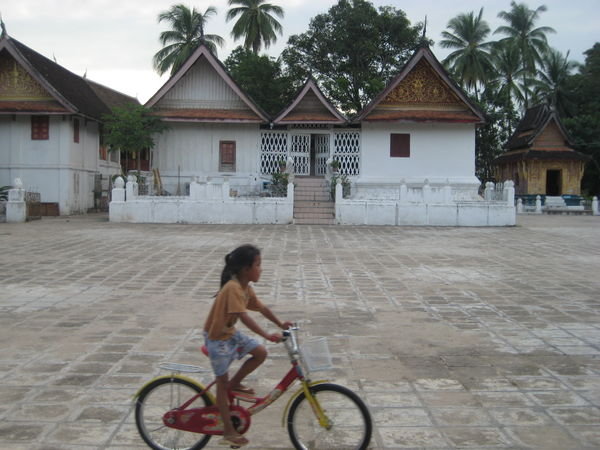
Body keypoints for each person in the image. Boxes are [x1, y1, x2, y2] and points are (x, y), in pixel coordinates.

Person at [203, 244, 292, 448]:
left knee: (260, 353)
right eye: (258, 265)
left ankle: (233, 384)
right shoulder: (233, 288)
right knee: (221, 385)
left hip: (229, 333)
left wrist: (280, 324)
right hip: (217, 338)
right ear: (246, 269)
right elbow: (243, 317)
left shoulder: (245, 287)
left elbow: (261, 308)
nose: (261, 269)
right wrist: (267, 334)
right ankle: (227, 431)